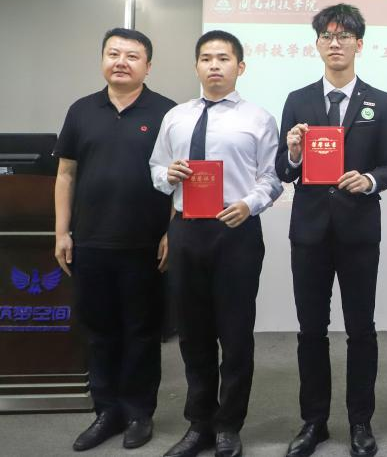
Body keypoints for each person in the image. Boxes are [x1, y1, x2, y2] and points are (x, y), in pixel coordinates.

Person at [277, 4, 387, 457]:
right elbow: (284, 170)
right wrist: (294, 151)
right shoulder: (298, 99)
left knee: (361, 330)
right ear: (317, 45)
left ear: (358, 44)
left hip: (358, 232)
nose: (335, 43)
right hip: (309, 233)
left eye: (344, 36)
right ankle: (314, 421)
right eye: (327, 36)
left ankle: (360, 422)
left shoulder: (381, 102)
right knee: (310, 330)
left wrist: (368, 180)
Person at [150, 30, 283, 457]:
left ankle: (229, 425)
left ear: (239, 67)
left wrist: (249, 204)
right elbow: (155, 167)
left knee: (236, 334)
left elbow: (273, 177)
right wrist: (167, 175)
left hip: (235, 230)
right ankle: (199, 424)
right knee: (193, 334)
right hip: (187, 230)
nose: (214, 66)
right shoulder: (176, 117)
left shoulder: (258, 118)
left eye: (223, 58)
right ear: (196, 66)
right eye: (206, 58)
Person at [53, 28, 175, 452]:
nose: (121, 62)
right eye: (113, 53)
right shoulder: (81, 110)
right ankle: (106, 411)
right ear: (103, 59)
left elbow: (179, 179)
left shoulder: (167, 112)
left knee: (142, 332)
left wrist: (171, 230)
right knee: (99, 330)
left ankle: (139, 412)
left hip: (145, 243)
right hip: (90, 241)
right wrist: (61, 231)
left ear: (148, 66)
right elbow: (66, 174)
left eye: (132, 56)